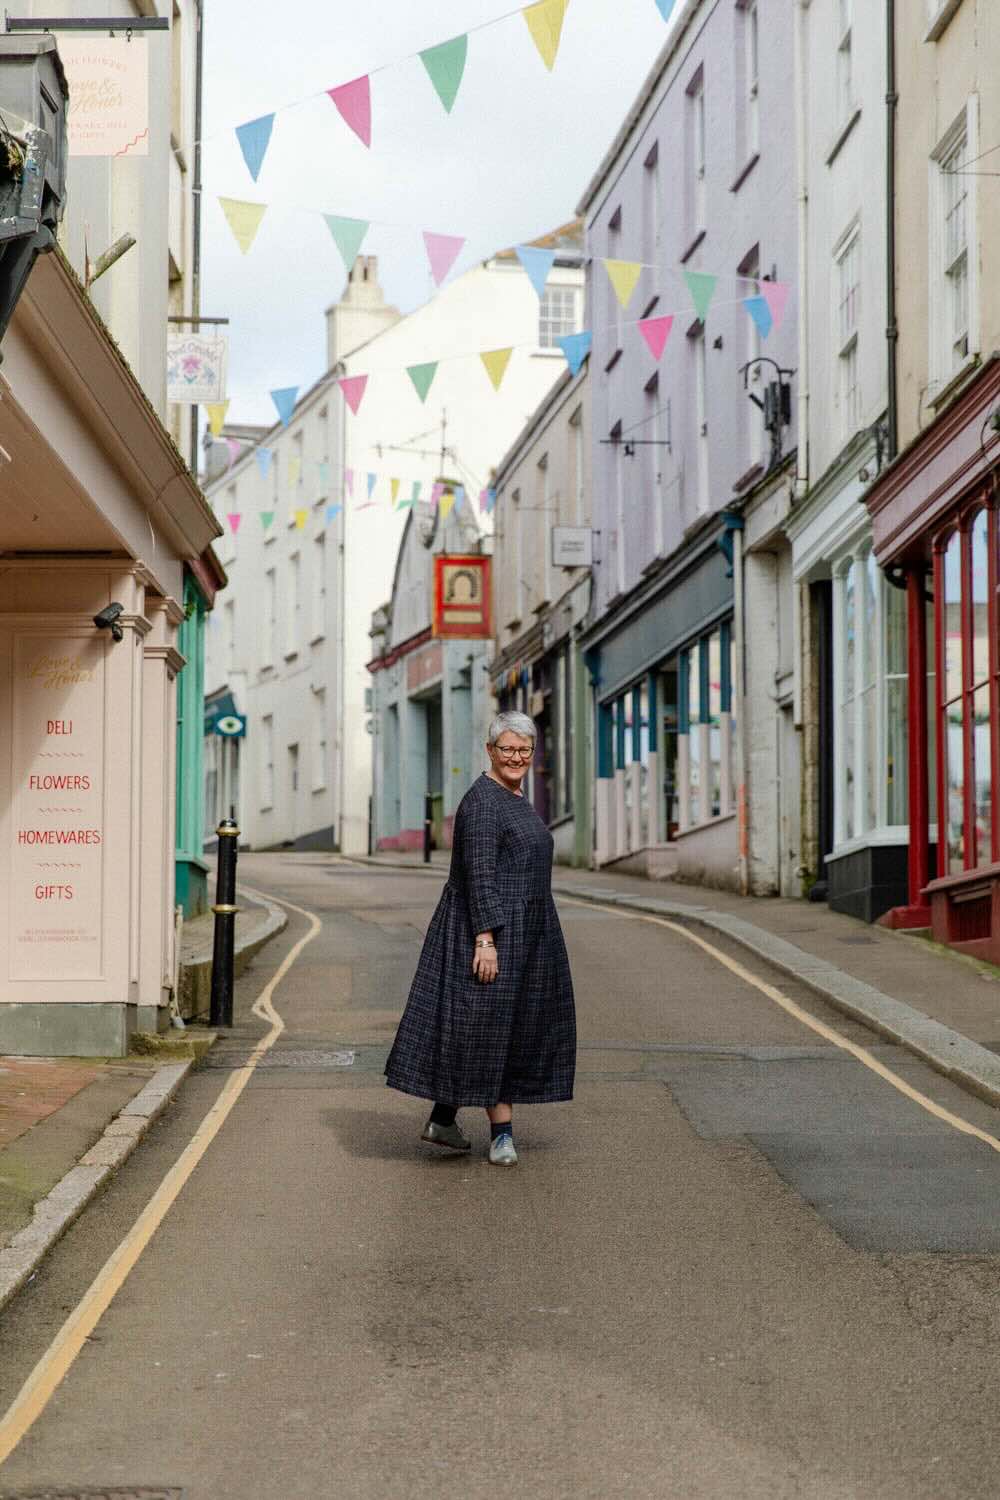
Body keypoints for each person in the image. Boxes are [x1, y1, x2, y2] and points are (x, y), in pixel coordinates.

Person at [384, 711, 576, 1165]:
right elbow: (479, 875)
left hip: (525, 929)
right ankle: (501, 1134)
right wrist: (485, 940)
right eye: (507, 748)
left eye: (524, 750)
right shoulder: (484, 802)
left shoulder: (512, 795)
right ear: (490, 751)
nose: (516, 757)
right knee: (493, 1030)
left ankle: (443, 1119)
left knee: (489, 1030)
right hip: (494, 930)